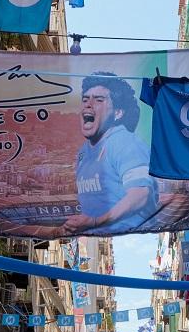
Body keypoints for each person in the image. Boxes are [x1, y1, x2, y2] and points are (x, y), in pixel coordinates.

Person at [61, 73, 158, 235]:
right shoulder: (83, 152)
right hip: (99, 236)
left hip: (131, 239)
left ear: (118, 113)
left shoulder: (123, 142)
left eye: (99, 100)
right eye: (85, 100)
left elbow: (140, 194)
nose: (88, 105)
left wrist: (95, 222)